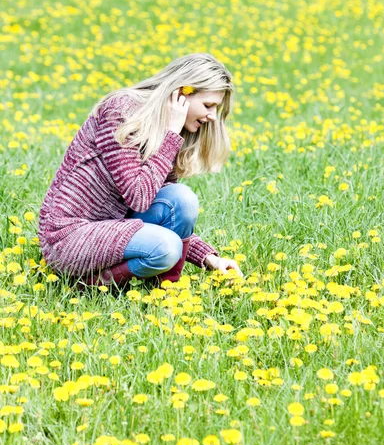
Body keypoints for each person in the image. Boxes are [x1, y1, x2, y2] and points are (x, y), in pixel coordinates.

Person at [38, 52, 243, 289]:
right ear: (181, 94)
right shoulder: (121, 112)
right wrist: (172, 136)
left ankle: (166, 289)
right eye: (208, 106)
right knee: (166, 247)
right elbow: (139, 196)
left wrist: (210, 258)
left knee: (181, 198)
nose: (212, 117)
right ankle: (89, 285)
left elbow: (168, 209)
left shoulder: (168, 130)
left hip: (116, 228)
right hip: (70, 238)